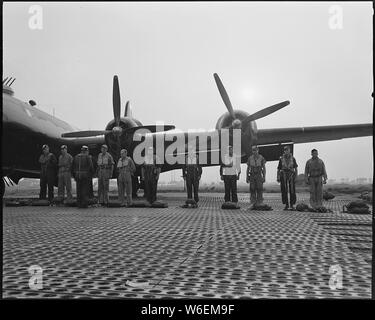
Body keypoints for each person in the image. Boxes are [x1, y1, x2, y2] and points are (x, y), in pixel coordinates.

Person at [277, 146, 298, 210]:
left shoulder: (293, 158)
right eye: (285, 150)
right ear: (284, 151)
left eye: (287, 150)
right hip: (283, 174)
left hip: (291, 174)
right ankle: (286, 204)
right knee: (284, 190)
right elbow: (278, 169)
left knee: (292, 190)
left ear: (289, 150)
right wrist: (278, 176)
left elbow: (296, 168)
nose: (286, 151)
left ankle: (292, 205)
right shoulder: (281, 159)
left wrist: (296, 176)